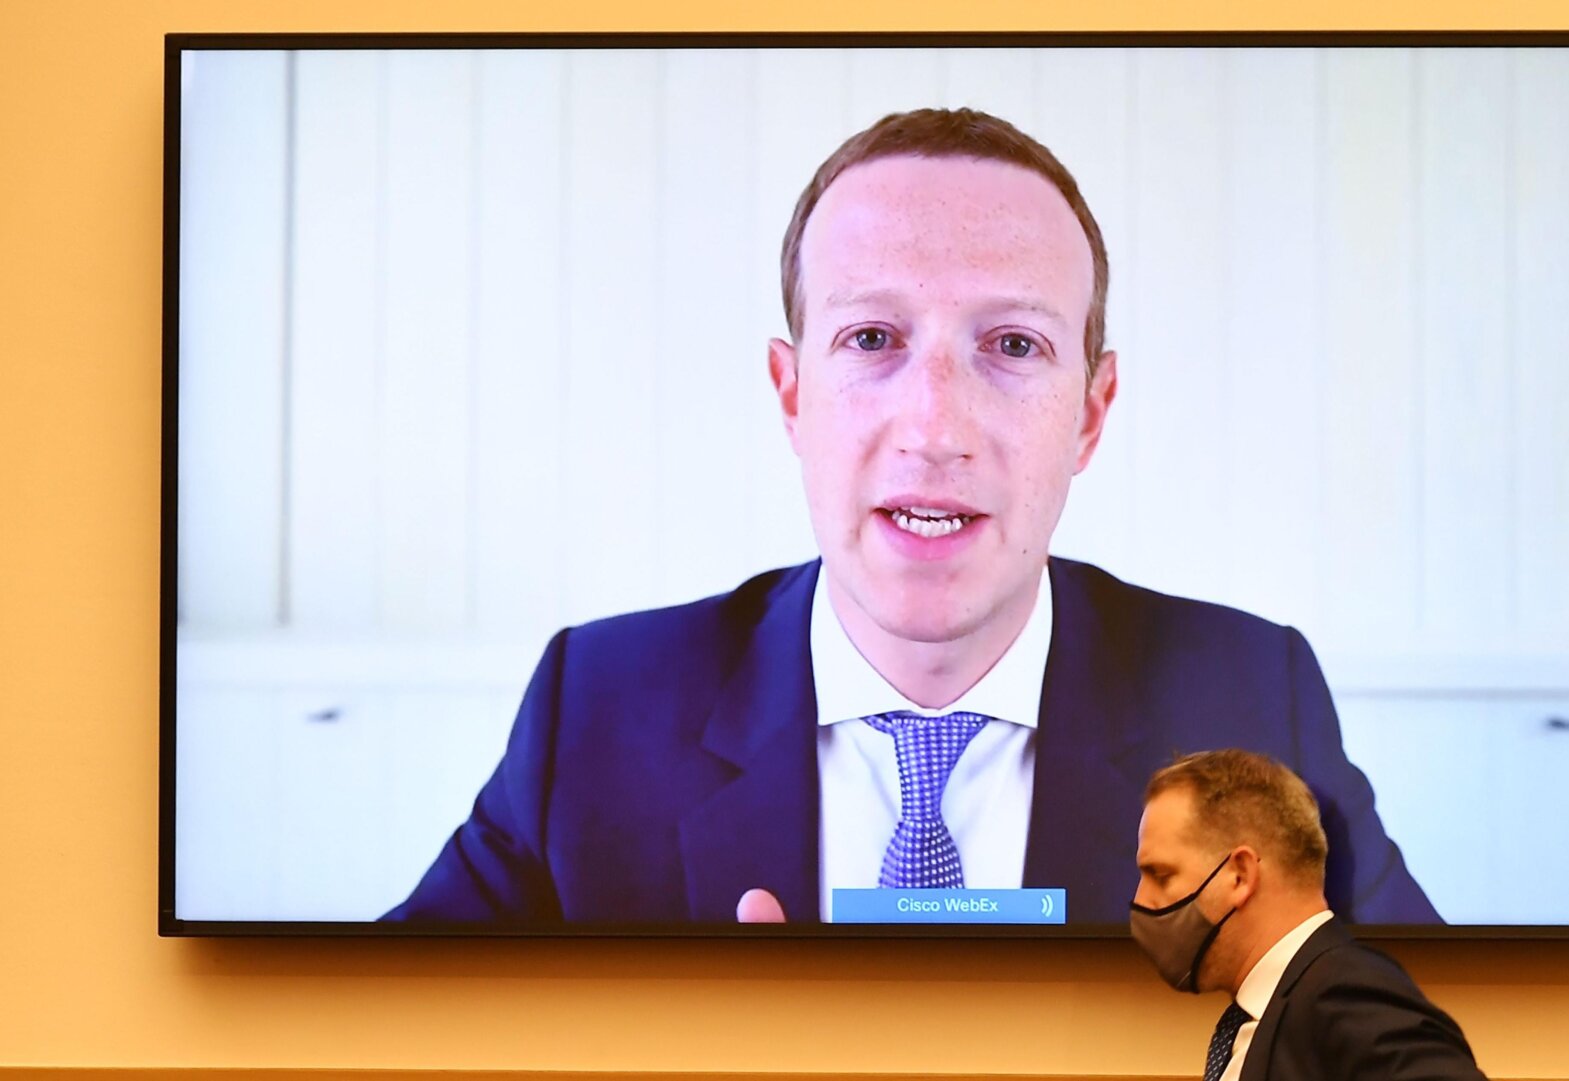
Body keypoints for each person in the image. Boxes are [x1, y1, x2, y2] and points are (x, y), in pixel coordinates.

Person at [385, 107, 1437, 926]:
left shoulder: (1254, 707)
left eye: (1013, 346)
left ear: (1092, 412)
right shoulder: (599, 713)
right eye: (874, 339)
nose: (934, 425)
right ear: (791, 394)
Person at [1131, 750, 1483, 1081]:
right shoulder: (1267, 1011)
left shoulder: (1344, 992)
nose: (1141, 898)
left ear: (1239, 874)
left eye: (1161, 875)